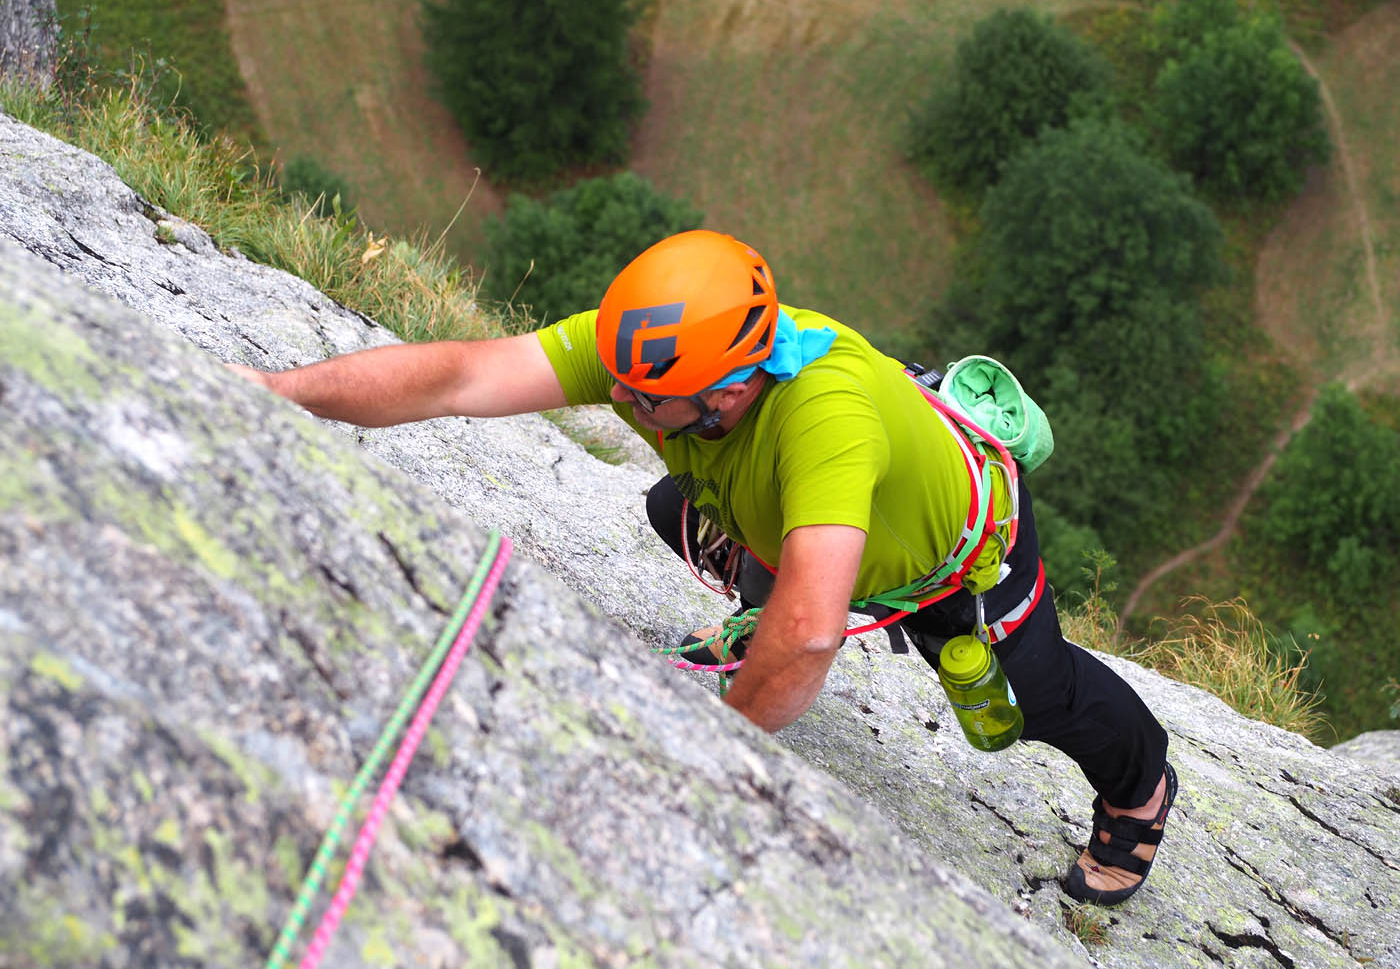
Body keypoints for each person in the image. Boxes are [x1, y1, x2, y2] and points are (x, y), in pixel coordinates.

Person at [228, 229, 1176, 906]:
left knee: (1039, 698)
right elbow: (461, 376)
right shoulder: (661, 351)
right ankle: (753, 585)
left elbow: (808, 637)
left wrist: (706, 762)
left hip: (960, 564)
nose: (628, 405)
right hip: (805, 532)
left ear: (728, 388)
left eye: (652, 401)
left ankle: (1142, 792)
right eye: (627, 388)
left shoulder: (824, 418)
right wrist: (274, 394)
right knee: (672, 510)